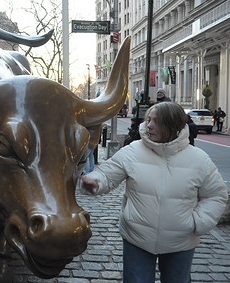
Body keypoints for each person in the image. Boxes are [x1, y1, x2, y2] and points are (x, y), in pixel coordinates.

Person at [80, 102, 228, 283]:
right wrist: (95, 182)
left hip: (180, 242)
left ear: (172, 125)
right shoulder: (132, 151)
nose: (148, 125)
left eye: (156, 121)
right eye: (148, 119)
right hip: (137, 239)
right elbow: (106, 174)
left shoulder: (199, 159)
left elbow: (216, 195)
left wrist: (199, 222)